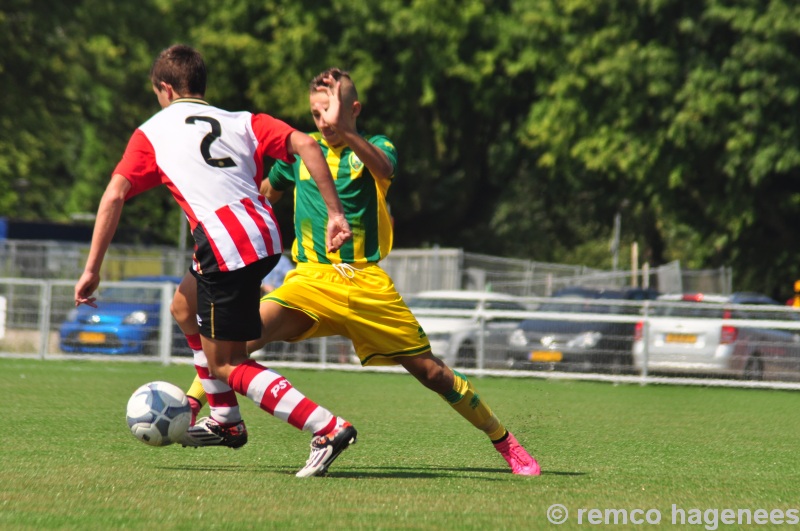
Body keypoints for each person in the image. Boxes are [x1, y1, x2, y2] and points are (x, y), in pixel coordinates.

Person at [175, 67, 540, 476]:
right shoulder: (299, 152)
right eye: (316, 114)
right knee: (233, 341)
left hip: (366, 283)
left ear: (353, 109)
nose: (322, 122)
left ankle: (504, 441)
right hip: (309, 280)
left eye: (330, 112)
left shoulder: (375, 148)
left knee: (433, 373)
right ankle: (192, 404)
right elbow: (263, 195)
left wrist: (346, 132)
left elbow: (384, 169)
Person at [74, 45, 357, 478]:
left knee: (228, 362)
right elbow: (306, 144)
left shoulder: (152, 132)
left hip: (225, 245)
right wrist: (336, 213)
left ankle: (326, 427)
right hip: (262, 233)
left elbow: (114, 194)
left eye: (157, 93)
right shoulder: (242, 121)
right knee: (182, 307)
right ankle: (226, 418)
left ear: (165, 88)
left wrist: (92, 269)